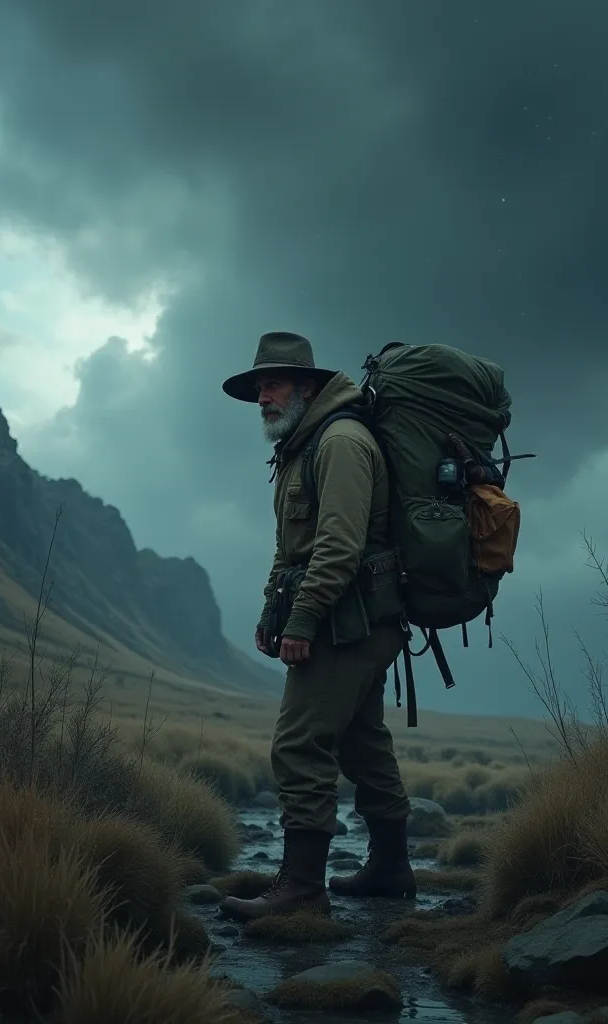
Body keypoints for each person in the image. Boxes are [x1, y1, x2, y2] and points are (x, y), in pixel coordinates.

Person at [220, 331, 415, 921]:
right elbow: (291, 549)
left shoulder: (342, 442)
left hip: (347, 621)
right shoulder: (300, 449)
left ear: (306, 386)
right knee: (361, 743)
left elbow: (338, 546)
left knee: (300, 742)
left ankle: (302, 890)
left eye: (273, 384)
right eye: (258, 387)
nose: (262, 397)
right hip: (344, 619)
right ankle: (391, 868)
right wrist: (269, 615)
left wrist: (302, 620)